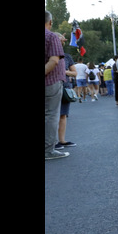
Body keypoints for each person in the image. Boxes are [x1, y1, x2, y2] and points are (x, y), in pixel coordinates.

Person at [45, 10, 69, 160]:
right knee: (51, 116)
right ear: (50, 22)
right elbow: (54, 61)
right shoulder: (51, 36)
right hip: (50, 82)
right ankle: (48, 150)